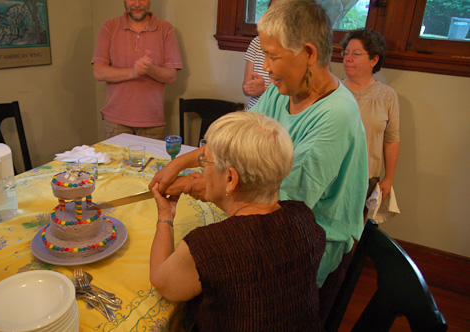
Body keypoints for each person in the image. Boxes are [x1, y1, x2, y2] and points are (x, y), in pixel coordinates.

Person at [150, 0, 368, 323]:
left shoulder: (337, 115)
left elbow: (279, 199)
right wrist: (181, 163)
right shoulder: (282, 91)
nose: (264, 67)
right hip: (277, 224)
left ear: (308, 53)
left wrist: (202, 184)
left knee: (210, 293)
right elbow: (236, 143)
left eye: (272, 56)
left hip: (307, 245)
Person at [150, 111, 326, 331]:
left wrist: (165, 216)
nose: (202, 166)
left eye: (205, 162)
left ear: (231, 179)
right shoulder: (302, 216)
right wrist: (221, 196)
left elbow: (162, 282)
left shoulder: (208, 245)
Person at [92, 0, 182, 140]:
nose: (137, 4)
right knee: (116, 163)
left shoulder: (166, 28)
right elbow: (98, 72)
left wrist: (150, 69)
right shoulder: (109, 26)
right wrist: (134, 72)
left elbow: (171, 76)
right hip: (116, 121)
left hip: (152, 122)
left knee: (152, 163)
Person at [340, 28, 400, 201]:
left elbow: (391, 140)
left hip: (367, 178)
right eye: (346, 53)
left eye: (356, 54)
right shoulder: (333, 90)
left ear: (374, 60)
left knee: (357, 226)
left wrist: (388, 178)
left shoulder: (388, 96)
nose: (348, 59)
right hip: (332, 174)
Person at [242, 0, 277, 109]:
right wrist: (254, 89)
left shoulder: (297, 49)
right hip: (254, 112)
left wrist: (264, 90)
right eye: (271, 11)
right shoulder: (257, 43)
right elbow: (245, 88)